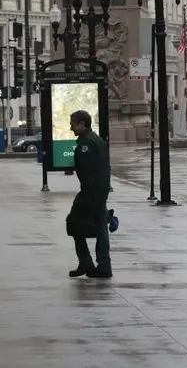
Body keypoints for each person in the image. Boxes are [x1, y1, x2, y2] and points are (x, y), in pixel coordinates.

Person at [64, 110, 112, 278]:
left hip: (91, 192)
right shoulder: (96, 140)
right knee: (94, 225)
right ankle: (90, 263)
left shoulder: (87, 144)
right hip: (98, 190)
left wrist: (88, 196)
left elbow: (89, 171)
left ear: (82, 124)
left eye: (73, 124)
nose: (71, 128)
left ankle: (99, 264)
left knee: (78, 224)